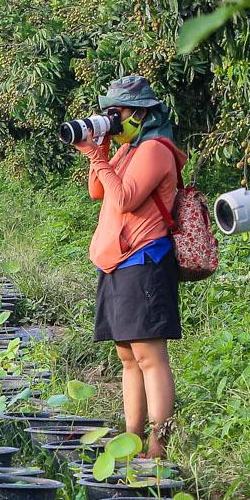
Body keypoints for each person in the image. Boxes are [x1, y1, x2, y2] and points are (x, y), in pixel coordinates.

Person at [73, 75, 185, 458]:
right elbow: (97, 191)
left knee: (150, 357)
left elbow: (124, 199)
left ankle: (158, 446)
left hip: (144, 261)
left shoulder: (155, 150)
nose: (111, 119)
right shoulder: (127, 151)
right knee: (127, 356)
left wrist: (97, 157)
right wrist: (101, 150)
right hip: (117, 262)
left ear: (138, 113)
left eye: (115, 113)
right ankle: (133, 439)